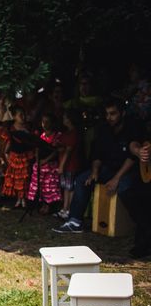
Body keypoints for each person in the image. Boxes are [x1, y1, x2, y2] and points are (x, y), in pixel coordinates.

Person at [54, 98, 143, 234]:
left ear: (122, 113)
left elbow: (132, 157)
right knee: (83, 179)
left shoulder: (131, 127)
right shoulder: (104, 129)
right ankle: (75, 221)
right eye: (107, 114)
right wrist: (95, 171)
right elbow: (97, 154)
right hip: (108, 168)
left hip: (127, 170)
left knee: (125, 189)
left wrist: (116, 179)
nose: (109, 117)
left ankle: (140, 225)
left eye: (113, 114)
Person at [26, 113, 62, 214]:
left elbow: (56, 151)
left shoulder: (57, 135)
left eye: (47, 122)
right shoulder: (41, 135)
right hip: (40, 164)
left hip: (51, 165)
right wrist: (38, 160)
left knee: (49, 186)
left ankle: (48, 205)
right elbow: (37, 149)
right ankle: (41, 203)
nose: (45, 124)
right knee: (39, 184)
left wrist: (45, 161)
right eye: (43, 122)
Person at [1, 106, 33, 208]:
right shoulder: (11, 129)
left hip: (25, 156)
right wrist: (7, 158)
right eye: (20, 115)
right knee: (16, 179)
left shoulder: (28, 128)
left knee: (24, 179)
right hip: (15, 157)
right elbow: (7, 146)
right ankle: (18, 199)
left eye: (24, 114)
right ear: (14, 116)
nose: (23, 117)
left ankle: (23, 199)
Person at [55, 109, 83, 220]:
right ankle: (64, 209)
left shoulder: (74, 133)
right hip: (65, 164)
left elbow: (68, 151)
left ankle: (69, 210)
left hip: (70, 165)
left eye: (65, 118)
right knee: (65, 187)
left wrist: (61, 165)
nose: (63, 119)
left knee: (70, 188)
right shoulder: (66, 133)